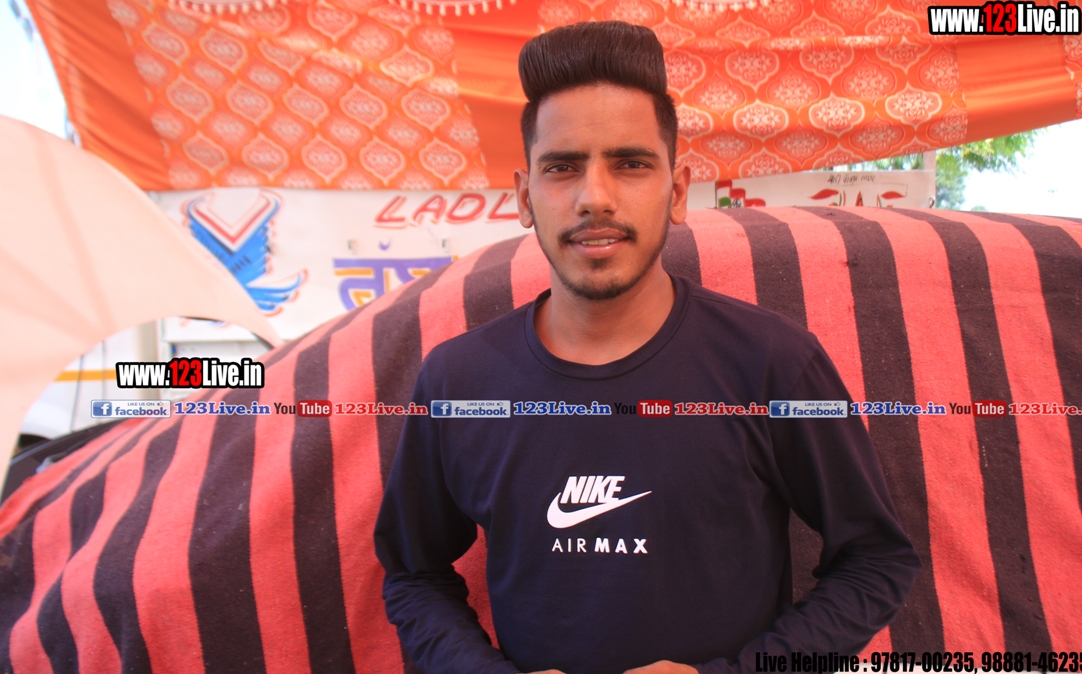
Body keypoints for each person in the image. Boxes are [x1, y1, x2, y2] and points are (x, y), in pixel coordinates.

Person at [373, 21, 921, 674]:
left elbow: (876, 560)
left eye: (630, 164)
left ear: (678, 190)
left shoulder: (771, 364)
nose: (594, 198)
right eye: (562, 167)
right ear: (524, 196)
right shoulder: (459, 383)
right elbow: (413, 574)